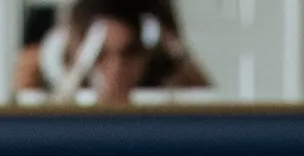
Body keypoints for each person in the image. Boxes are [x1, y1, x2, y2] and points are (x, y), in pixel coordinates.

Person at [14, 2, 211, 105]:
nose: (116, 68)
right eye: (101, 56)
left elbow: (206, 99)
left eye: (128, 54)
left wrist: (175, 54)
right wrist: (77, 72)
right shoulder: (47, 58)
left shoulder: (159, 48)